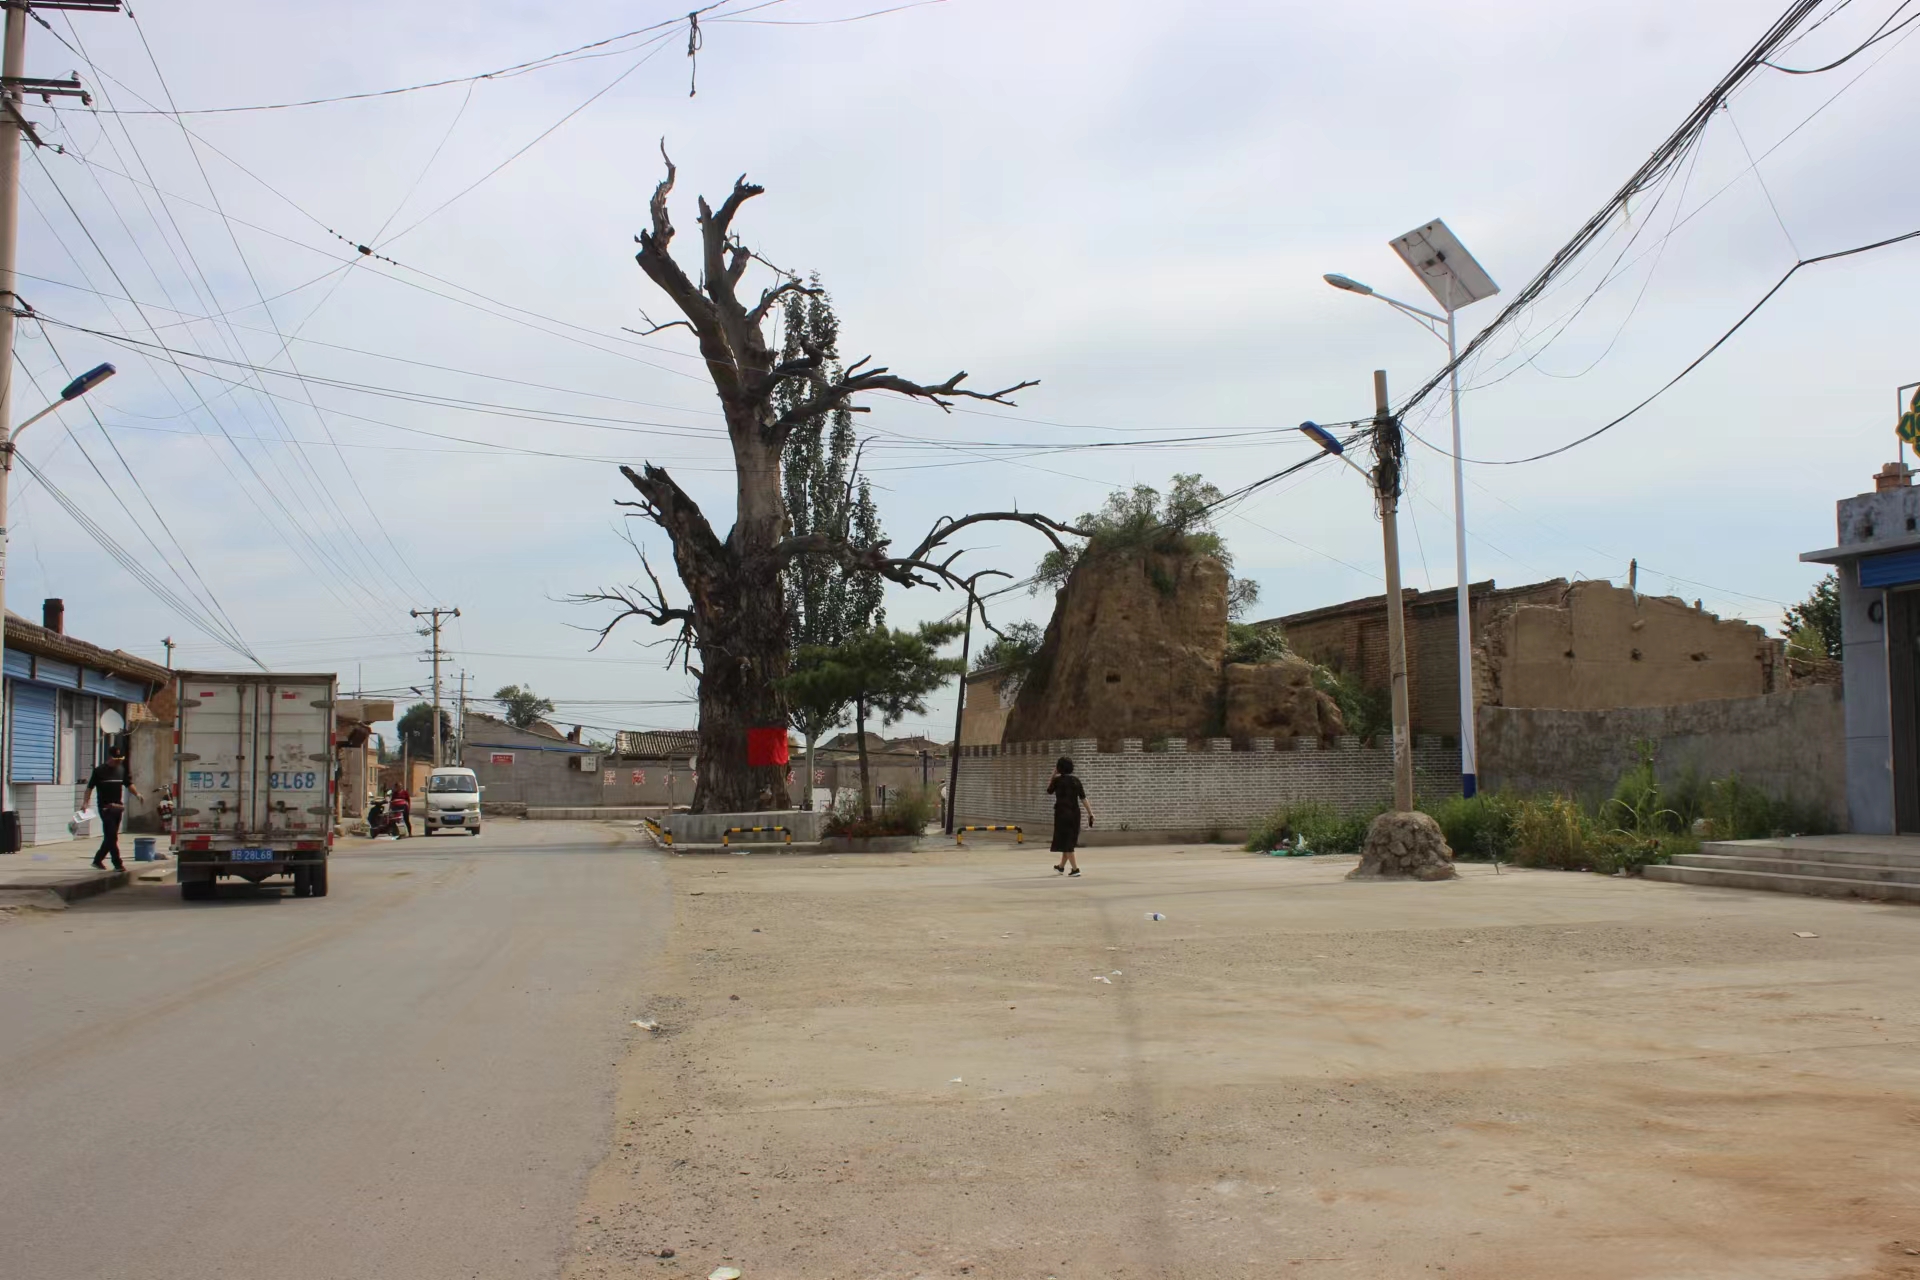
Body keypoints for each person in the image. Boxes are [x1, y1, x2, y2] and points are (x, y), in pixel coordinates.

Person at [83, 744, 142, 872]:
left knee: (111, 836)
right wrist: (85, 803)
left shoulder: (121, 770)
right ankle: (117, 864)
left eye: (120, 759)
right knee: (111, 836)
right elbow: (89, 788)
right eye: (117, 759)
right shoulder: (99, 771)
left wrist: (137, 794)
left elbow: (129, 784)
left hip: (117, 808)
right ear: (110, 757)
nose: (119, 762)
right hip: (105, 808)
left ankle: (97, 860)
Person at [1046, 756, 1094, 877]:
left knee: (1066, 841)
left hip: (1062, 814)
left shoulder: (1057, 780)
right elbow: (1083, 798)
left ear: (1059, 767)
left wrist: (1053, 774)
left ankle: (1075, 869)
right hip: (1075, 813)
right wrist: (1090, 813)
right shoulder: (1076, 780)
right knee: (1068, 840)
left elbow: (1049, 790)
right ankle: (1061, 867)